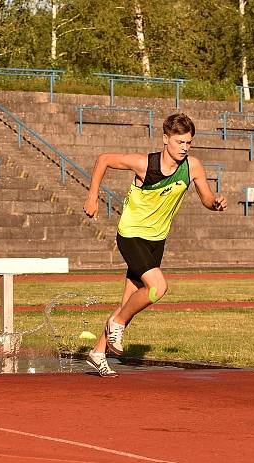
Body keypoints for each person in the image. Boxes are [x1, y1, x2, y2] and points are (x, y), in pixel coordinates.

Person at [82, 113, 227, 376]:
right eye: (180, 141)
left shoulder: (192, 167)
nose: (185, 147)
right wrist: (93, 197)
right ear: (165, 139)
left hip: (156, 241)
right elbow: (103, 160)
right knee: (157, 288)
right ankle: (117, 323)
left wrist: (215, 203)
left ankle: (98, 352)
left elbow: (206, 197)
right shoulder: (144, 164)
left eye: (189, 143)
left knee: (131, 300)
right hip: (131, 235)